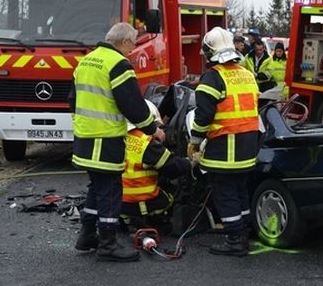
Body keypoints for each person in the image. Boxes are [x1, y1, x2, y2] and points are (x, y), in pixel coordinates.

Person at [71, 22, 165, 262]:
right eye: (132, 44)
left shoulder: (87, 61)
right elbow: (133, 105)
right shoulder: (118, 64)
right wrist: (153, 129)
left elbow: (72, 100)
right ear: (123, 42)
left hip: (84, 139)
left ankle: (86, 235)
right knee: (111, 191)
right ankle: (108, 245)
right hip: (107, 140)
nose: (132, 49)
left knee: (97, 189)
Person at [187, 26, 260, 257]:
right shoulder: (247, 74)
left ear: (210, 52)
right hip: (249, 145)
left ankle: (234, 239)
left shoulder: (212, 77)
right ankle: (245, 232)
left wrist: (195, 142)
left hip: (225, 147)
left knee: (224, 192)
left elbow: (203, 117)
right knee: (240, 191)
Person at [121, 100, 193, 236]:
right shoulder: (147, 144)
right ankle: (157, 220)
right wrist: (191, 162)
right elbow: (173, 168)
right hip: (143, 202)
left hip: (118, 203)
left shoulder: (117, 138)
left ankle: (126, 220)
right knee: (171, 194)